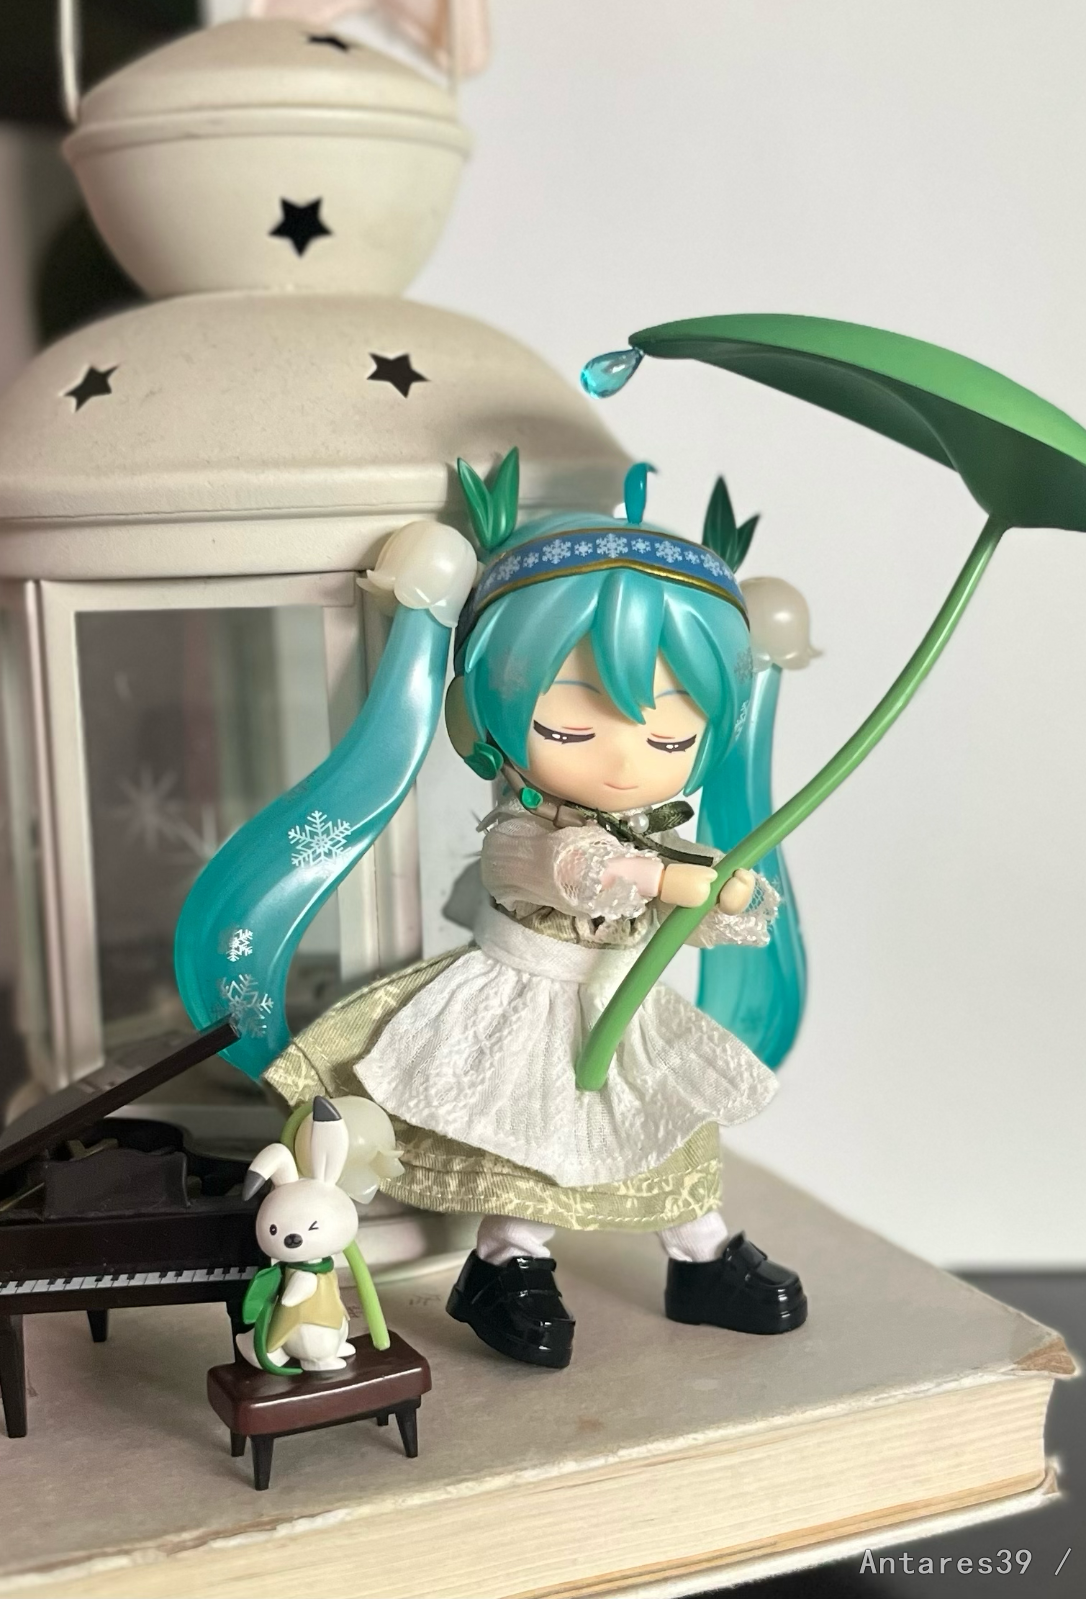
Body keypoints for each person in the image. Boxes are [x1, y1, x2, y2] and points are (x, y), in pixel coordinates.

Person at [175, 452, 817, 1369]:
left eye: (670, 734)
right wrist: (665, 881)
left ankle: (701, 1256)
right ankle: (504, 1261)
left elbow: (690, 891)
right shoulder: (526, 828)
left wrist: (728, 889)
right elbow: (569, 868)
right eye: (569, 727)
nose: (625, 760)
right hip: (522, 996)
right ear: (491, 714)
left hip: (620, 1004)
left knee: (667, 1128)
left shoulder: (656, 829)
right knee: (526, 1136)